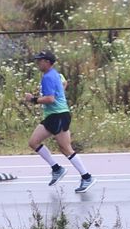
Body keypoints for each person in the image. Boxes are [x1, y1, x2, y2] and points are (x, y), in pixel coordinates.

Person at [21, 50, 92, 192]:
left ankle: (87, 177)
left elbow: (50, 99)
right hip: (53, 115)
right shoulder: (56, 74)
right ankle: (57, 169)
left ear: (47, 62)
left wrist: (33, 99)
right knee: (33, 142)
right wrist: (59, 92)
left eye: (40, 61)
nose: (37, 63)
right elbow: (64, 83)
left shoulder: (48, 77)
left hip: (58, 115)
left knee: (66, 149)